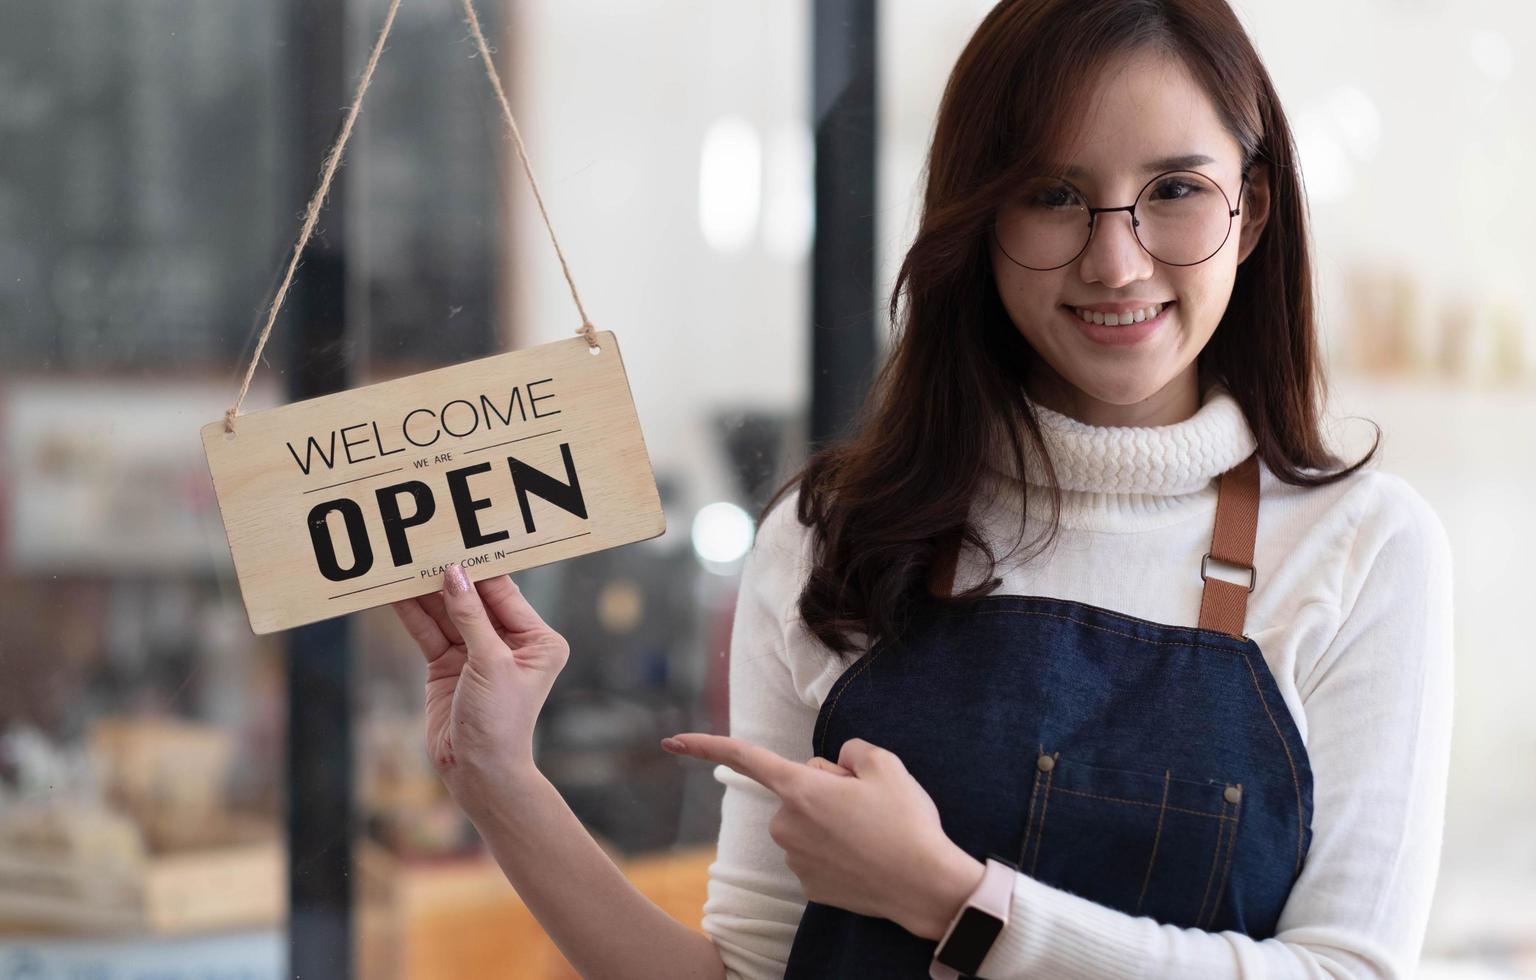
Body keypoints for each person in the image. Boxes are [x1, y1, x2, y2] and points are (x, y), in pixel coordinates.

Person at [390, 0, 1454, 977]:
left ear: (1253, 208)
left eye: (1174, 190)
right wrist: (497, 779)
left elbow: (1347, 970)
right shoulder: (830, 537)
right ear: (981, 220)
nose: (1117, 262)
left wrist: (951, 897)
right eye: (1053, 195)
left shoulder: (1363, 548)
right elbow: (750, 971)